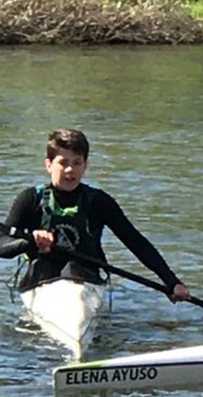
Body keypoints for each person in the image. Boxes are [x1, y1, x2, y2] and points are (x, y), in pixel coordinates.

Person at [0, 128, 190, 301]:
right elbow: (2, 245)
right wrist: (30, 241)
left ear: (85, 166)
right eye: (63, 163)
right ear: (48, 165)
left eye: (77, 163)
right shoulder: (30, 199)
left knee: (74, 267)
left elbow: (136, 242)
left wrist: (172, 282)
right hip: (41, 278)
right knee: (43, 267)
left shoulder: (99, 202)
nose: (69, 170)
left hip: (84, 279)